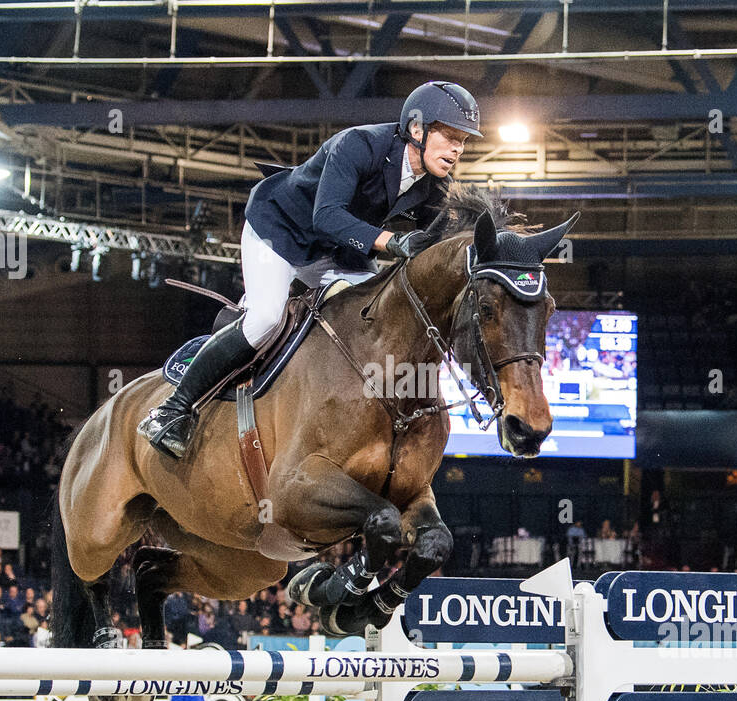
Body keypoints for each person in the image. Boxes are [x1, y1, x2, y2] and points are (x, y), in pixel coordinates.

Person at [138, 81, 482, 459]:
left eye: (463, 142)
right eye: (450, 137)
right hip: (281, 230)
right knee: (265, 318)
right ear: (417, 129)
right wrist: (393, 242)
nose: (457, 149)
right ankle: (173, 410)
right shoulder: (359, 145)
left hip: (335, 250)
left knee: (377, 316)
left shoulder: (434, 186)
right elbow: (327, 215)